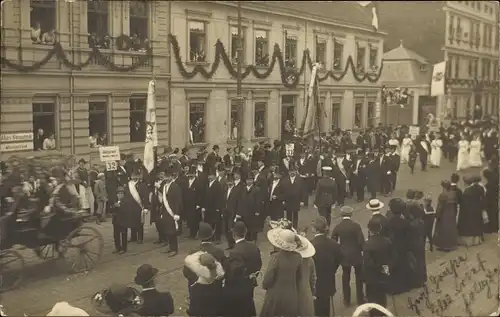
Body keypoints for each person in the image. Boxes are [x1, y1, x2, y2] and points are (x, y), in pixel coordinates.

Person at [259, 228, 304, 317]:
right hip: (291, 295)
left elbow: (268, 278)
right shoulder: (298, 257)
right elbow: (299, 277)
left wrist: (265, 285)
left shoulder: (276, 257)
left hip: (276, 296)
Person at [225, 221, 262, 317]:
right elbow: (259, 264)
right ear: (245, 232)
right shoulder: (254, 247)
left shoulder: (235, 251)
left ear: (233, 234)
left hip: (238, 287)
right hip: (250, 283)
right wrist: (252, 276)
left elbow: (233, 273)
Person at [331, 206, 365, 307]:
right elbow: (361, 241)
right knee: (359, 276)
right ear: (351, 214)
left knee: (345, 277)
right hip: (356, 254)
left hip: (344, 255)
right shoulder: (356, 226)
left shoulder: (338, 226)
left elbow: (333, 241)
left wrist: (339, 250)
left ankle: (347, 300)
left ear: (342, 214)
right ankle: (360, 298)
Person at [311, 216, 342, 317]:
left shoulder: (311, 245)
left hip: (315, 282)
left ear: (314, 229)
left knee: (317, 308)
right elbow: (338, 259)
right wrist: (332, 270)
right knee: (326, 307)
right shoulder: (334, 244)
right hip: (329, 279)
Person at [362, 218, 393, 317]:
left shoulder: (367, 244)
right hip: (383, 274)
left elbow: (367, 262)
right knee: (382, 296)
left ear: (369, 229)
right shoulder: (387, 241)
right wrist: (387, 266)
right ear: (380, 228)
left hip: (371, 277)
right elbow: (393, 256)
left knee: (371, 297)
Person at [185, 251, 225, 317]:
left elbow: (188, 260)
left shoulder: (198, 284)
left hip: (203, 309)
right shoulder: (219, 274)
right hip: (215, 308)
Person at [156, 168, 182, 256]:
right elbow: (163, 200)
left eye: (167, 177)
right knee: (167, 230)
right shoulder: (164, 186)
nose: (166, 179)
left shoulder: (175, 186)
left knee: (173, 231)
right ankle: (170, 247)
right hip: (166, 211)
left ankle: (174, 249)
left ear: (171, 177)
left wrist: (177, 213)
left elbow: (178, 201)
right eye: (165, 177)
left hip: (173, 212)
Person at [457, 175, 484, 246]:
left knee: (469, 225)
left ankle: (468, 241)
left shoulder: (467, 191)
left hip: (469, 211)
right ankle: (477, 240)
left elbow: (463, 203)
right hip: (477, 209)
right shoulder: (480, 188)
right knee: (476, 224)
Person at [295, 229, 317, 317]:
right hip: (306, 292)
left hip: (293, 292)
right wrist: (313, 292)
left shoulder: (292, 260)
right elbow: (313, 279)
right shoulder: (309, 260)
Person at [433, 181, 458, 251]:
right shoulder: (453, 193)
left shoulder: (443, 195)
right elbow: (455, 205)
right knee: (451, 229)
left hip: (444, 214)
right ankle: (452, 244)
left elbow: (440, 207)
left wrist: (437, 215)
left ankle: (444, 246)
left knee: (443, 230)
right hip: (451, 214)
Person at [111, 186, 130, 254]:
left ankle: (124, 248)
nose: (120, 195)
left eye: (122, 193)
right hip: (116, 220)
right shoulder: (115, 200)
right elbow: (111, 210)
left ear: (124, 194)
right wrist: (113, 206)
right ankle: (117, 247)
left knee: (123, 234)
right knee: (116, 235)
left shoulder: (126, 201)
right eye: (118, 193)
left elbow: (127, 210)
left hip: (123, 220)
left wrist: (120, 207)